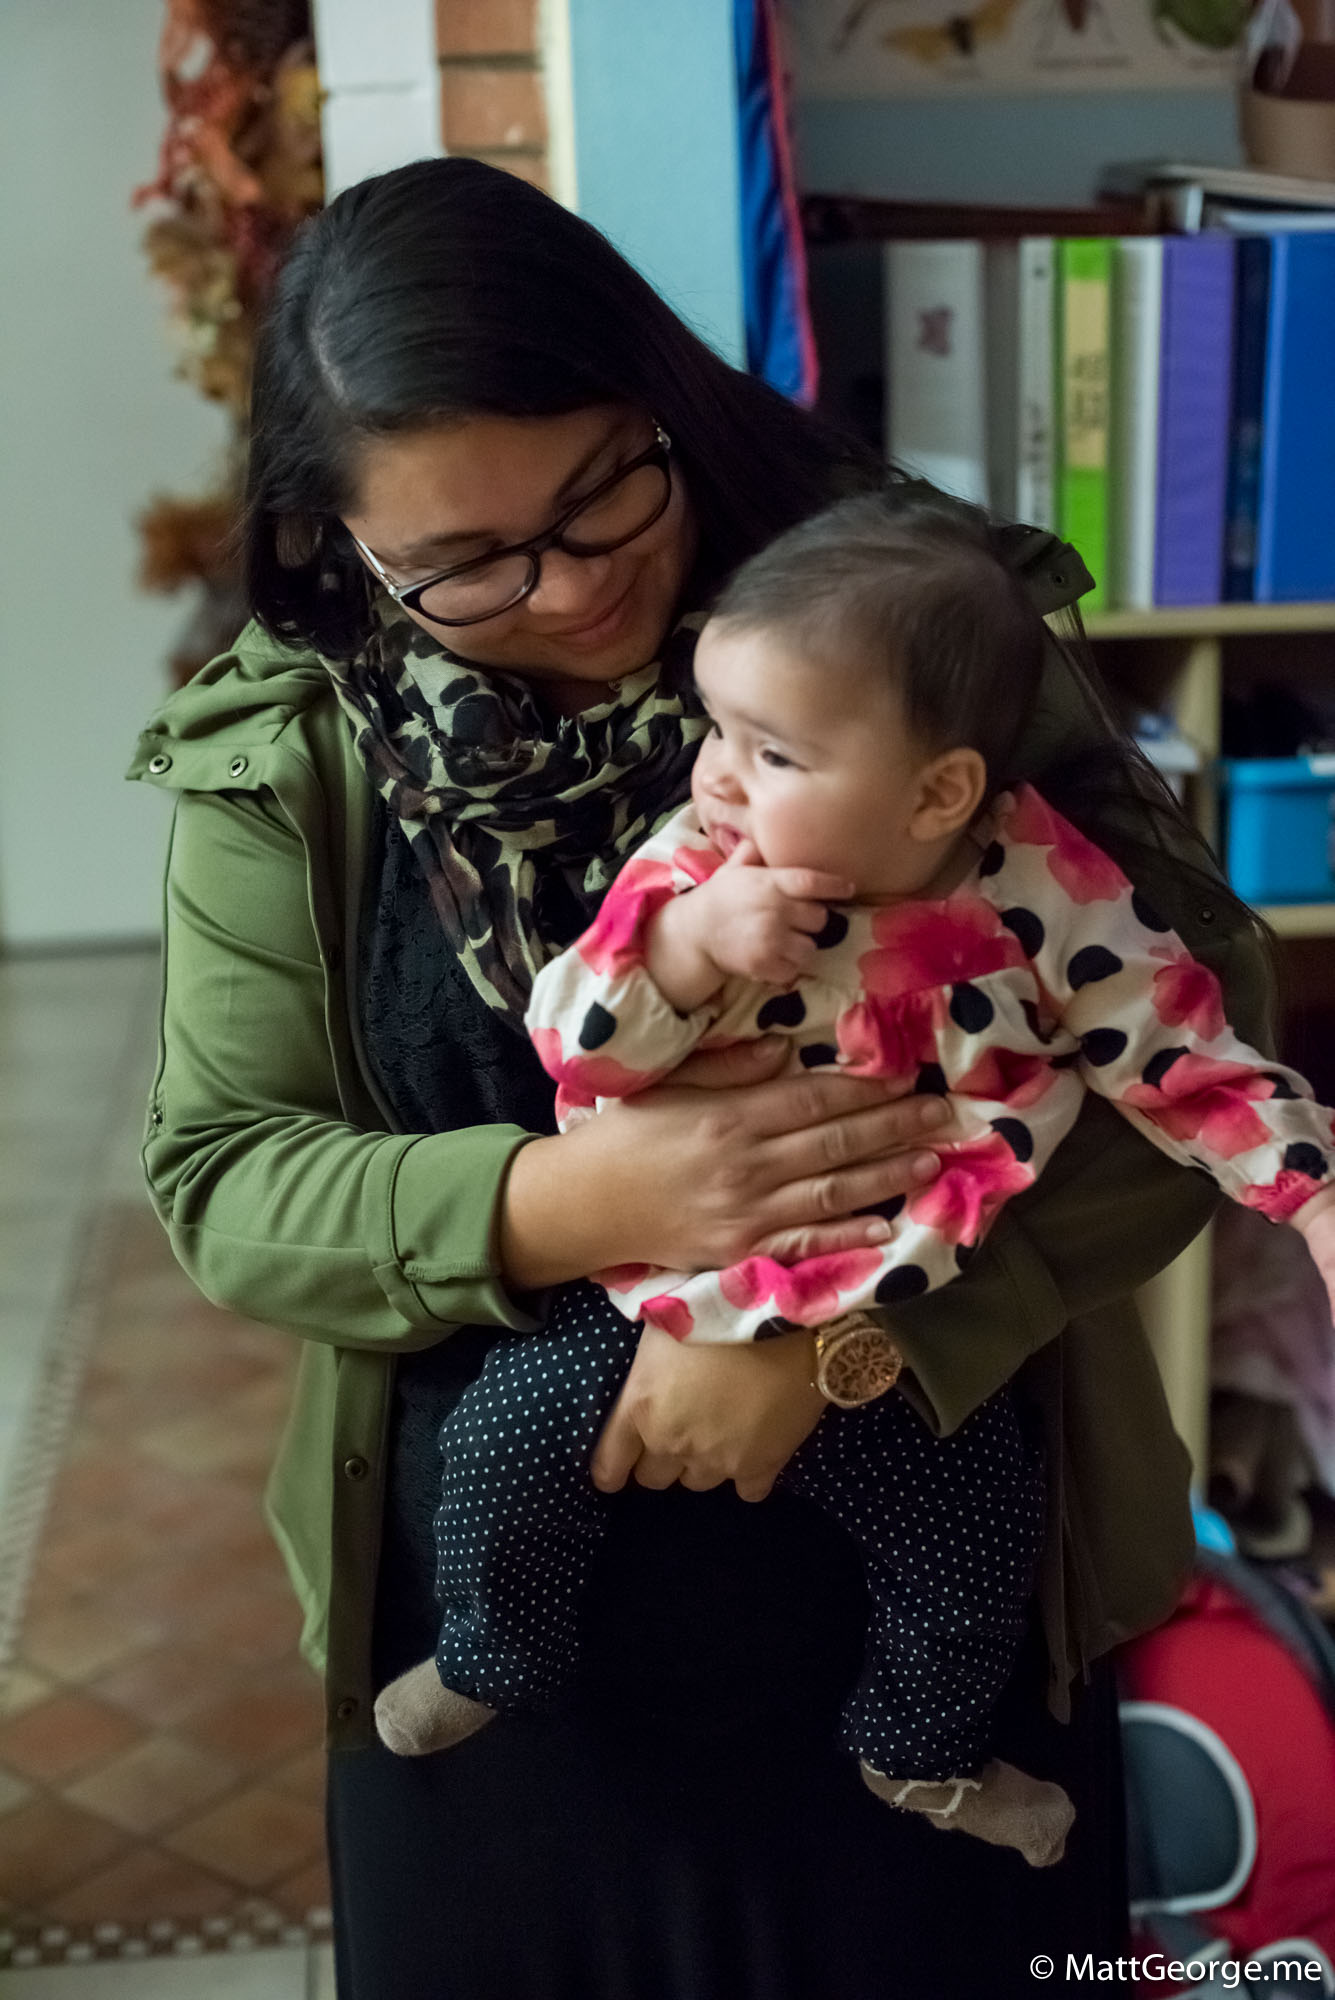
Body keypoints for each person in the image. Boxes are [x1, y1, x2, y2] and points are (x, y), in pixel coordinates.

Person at [129, 157, 1271, 1998]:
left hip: (944, 1607)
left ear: (656, 387)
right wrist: (588, 1206)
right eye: (469, 564)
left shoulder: (894, 611)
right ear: (339, 545)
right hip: (509, 1664)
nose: (572, 589)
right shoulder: (295, 738)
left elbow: (1197, 1030)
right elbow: (228, 1178)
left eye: (602, 496)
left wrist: (819, 1344)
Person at [372, 494, 1335, 1874]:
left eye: (769, 751)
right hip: (664, 1295)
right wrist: (696, 950)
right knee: (503, 1448)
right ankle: (494, 1647)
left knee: (976, 1549)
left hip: (888, 1324)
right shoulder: (702, 864)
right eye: (716, 730)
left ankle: (921, 1754)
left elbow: (1182, 1059)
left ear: (940, 792)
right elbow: (571, 1032)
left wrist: (1312, 1198)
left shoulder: (1047, 895)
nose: (716, 774)